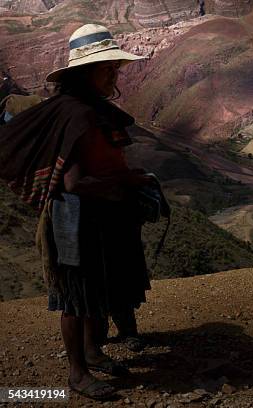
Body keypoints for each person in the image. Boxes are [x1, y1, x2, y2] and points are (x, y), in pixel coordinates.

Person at [0, 24, 150, 400]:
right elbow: (74, 183)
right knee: (76, 296)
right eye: (107, 70)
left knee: (93, 289)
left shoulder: (89, 110)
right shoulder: (78, 115)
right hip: (76, 218)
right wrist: (127, 181)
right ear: (85, 72)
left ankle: (92, 351)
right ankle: (77, 374)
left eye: (116, 69)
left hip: (95, 215)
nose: (114, 76)